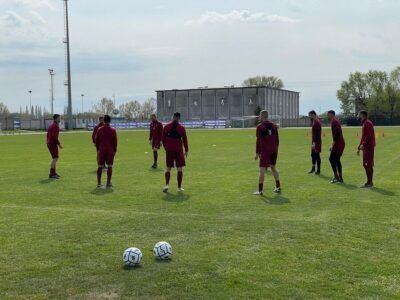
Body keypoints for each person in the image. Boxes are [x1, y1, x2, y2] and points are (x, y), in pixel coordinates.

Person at [254, 110, 281, 195]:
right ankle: (278, 186)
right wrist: (276, 149)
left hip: (265, 151)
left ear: (262, 116)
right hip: (274, 150)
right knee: (273, 168)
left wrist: (257, 153)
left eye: (259, 115)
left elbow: (258, 141)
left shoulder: (260, 127)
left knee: (262, 170)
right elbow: (277, 139)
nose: (259, 117)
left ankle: (260, 190)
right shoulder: (274, 126)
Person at [162, 112, 188, 193]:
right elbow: (185, 140)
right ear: (179, 118)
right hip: (178, 149)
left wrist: (166, 148)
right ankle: (179, 188)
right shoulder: (182, 128)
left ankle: (166, 185)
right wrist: (186, 150)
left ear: (172, 117)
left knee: (168, 168)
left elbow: (163, 139)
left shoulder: (166, 126)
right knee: (179, 168)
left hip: (169, 149)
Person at [95, 115, 118, 188]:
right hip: (110, 150)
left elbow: (96, 140)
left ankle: (99, 183)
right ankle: (108, 183)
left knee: (100, 167)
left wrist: (98, 149)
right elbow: (115, 141)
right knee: (110, 166)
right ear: (110, 121)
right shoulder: (113, 130)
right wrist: (114, 150)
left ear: (104, 121)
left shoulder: (99, 129)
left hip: (101, 150)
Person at [357, 110, 376, 188]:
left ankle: (369, 183)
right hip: (366, 147)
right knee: (367, 165)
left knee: (367, 165)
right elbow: (364, 136)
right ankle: (369, 182)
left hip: (368, 147)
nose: (358, 116)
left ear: (363, 115)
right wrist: (359, 146)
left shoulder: (367, 123)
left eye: (359, 114)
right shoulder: (365, 123)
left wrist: (363, 144)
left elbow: (368, 135)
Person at [327, 110, 345, 183]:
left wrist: (332, 144)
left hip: (338, 144)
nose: (328, 116)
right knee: (336, 160)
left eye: (328, 115)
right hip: (340, 143)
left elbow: (336, 134)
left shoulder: (334, 122)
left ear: (331, 114)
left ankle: (337, 177)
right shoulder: (335, 121)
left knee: (332, 159)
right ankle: (339, 177)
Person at [47, 114, 63, 179]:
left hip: (50, 143)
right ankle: (51, 173)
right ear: (56, 118)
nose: (60, 119)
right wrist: (59, 144)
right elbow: (54, 136)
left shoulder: (51, 125)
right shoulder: (55, 126)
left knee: (55, 158)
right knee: (55, 158)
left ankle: (53, 173)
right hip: (52, 144)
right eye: (59, 118)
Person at [308, 110, 322, 175]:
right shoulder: (314, 121)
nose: (309, 116)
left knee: (317, 155)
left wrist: (314, 143)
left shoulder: (317, 122)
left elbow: (317, 134)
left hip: (317, 142)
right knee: (312, 155)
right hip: (314, 141)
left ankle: (318, 170)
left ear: (313, 114)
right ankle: (313, 168)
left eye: (310, 115)